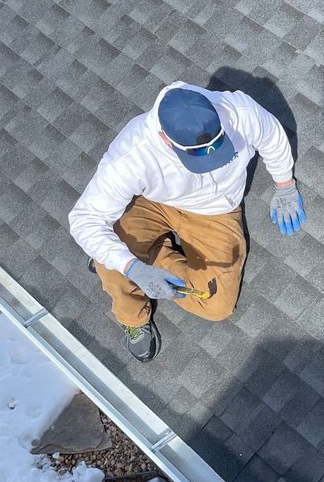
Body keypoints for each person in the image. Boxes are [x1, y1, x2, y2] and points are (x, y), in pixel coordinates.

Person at [69, 82, 305, 361]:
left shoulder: (239, 111)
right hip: (153, 203)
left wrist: (285, 185)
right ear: (166, 139)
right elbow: (84, 220)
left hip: (215, 211)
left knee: (217, 304)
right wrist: (132, 268)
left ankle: (141, 257)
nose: (212, 159)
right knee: (114, 264)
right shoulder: (132, 154)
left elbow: (272, 137)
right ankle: (133, 317)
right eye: (197, 154)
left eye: (217, 146)